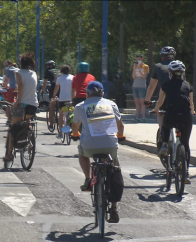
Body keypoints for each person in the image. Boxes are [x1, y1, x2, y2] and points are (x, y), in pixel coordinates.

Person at [71, 81, 125, 223]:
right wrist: (120, 136)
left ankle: (88, 179)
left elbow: (75, 126)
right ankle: (114, 208)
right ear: (102, 93)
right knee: (114, 168)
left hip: (90, 145)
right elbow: (120, 125)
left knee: (82, 153)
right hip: (110, 145)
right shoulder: (111, 104)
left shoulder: (80, 106)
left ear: (87, 94)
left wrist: (75, 134)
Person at [151, 60, 194, 184]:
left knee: (165, 126)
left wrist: (155, 109)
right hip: (186, 117)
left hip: (171, 115)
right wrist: (193, 112)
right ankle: (185, 173)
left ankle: (164, 144)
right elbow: (191, 104)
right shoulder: (188, 85)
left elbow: (160, 101)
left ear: (170, 72)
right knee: (185, 143)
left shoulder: (166, 85)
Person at [3, 52, 38, 161]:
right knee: (27, 121)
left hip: (22, 104)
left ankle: (9, 154)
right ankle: (29, 135)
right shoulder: (34, 73)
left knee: (13, 128)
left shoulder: (18, 73)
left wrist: (17, 100)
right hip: (33, 104)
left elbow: (21, 85)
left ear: (20, 63)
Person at [145, 46, 176, 128]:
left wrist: (147, 101)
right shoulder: (179, 66)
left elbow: (152, 86)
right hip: (180, 96)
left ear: (162, 57)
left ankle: (163, 133)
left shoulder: (158, 67)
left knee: (161, 113)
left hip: (164, 97)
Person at [53, 65, 74, 138]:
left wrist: (54, 96)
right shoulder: (73, 77)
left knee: (61, 115)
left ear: (61, 71)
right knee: (71, 113)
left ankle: (60, 132)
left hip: (62, 99)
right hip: (71, 98)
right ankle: (72, 129)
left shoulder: (59, 78)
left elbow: (56, 89)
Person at [132, 54, 149, 122]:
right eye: (137, 59)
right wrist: (134, 69)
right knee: (137, 102)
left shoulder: (145, 66)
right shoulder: (135, 67)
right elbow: (133, 77)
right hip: (135, 86)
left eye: (139, 59)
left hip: (142, 86)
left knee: (142, 102)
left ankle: (144, 118)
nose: (138, 60)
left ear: (142, 58)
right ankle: (137, 117)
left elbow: (144, 76)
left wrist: (138, 68)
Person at [40, 60, 57, 130]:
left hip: (54, 88)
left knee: (51, 106)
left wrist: (42, 90)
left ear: (49, 66)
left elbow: (45, 82)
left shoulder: (48, 71)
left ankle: (51, 125)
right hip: (63, 88)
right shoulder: (59, 70)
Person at [2, 60, 19, 125]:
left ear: (10, 64)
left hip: (12, 88)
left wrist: (5, 86)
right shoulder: (18, 69)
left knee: (9, 104)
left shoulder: (8, 70)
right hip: (19, 89)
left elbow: (6, 81)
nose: (6, 67)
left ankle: (9, 119)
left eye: (6, 65)